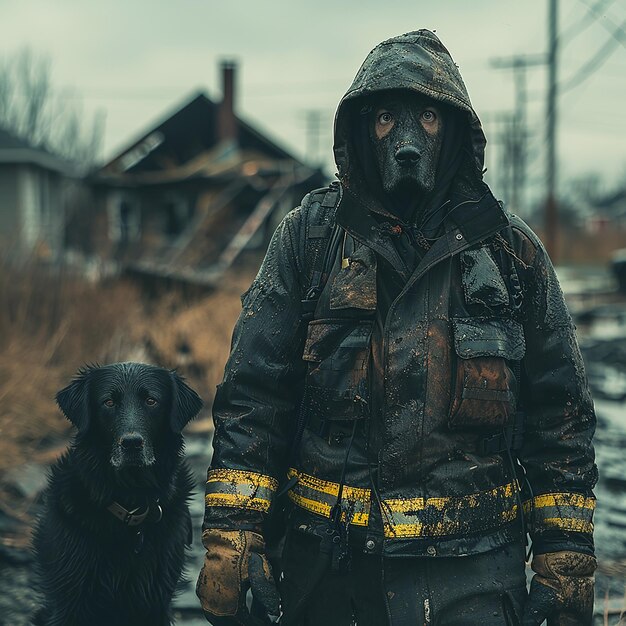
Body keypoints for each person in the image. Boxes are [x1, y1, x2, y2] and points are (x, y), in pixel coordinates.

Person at [196, 30, 598, 625]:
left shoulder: (512, 254)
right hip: (327, 576)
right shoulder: (309, 240)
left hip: (473, 580)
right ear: (360, 131)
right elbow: (254, 398)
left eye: (429, 119)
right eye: (386, 118)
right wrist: (233, 538)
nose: (407, 142)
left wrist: (565, 562)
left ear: (456, 132)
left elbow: (559, 415)